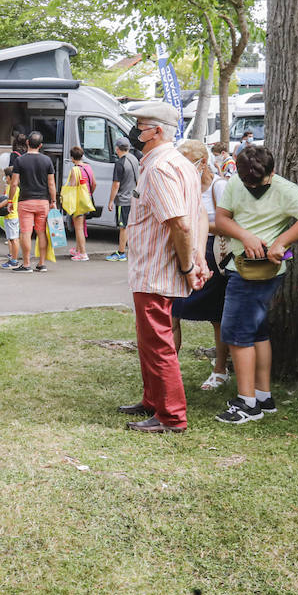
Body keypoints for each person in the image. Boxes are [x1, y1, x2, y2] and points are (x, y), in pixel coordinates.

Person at [212, 144, 298, 424]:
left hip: (257, 273)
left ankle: (247, 404)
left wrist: (281, 242)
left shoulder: (284, 188)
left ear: (272, 171)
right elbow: (222, 219)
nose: (253, 188)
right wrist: (246, 237)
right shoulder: (237, 182)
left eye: (259, 183)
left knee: (237, 335)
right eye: (248, 182)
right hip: (240, 266)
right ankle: (262, 396)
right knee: (256, 333)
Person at [115, 102, 209, 433]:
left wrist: (188, 266)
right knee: (150, 341)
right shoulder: (178, 163)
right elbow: (197, 215)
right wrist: (197, 260)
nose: (134, 132)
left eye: (140, 126)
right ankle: (153, 400)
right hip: (156, 269)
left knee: (158, 344)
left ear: (157, 131)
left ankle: (171, 416)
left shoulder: (159, 168)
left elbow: (182, 224)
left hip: (157, 271)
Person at [169, 140, 231, 391]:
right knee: (173, 312)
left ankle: (221, 369)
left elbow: (230, 224)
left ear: (202, 162)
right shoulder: (183, 186)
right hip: (186, 251)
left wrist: (198, 225)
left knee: (216, 315)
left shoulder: (219, 186)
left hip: (213, 253)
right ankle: (169, 368)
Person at [8, 131, 56, 273]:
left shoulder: (20, 160)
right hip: (43, 202)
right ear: (40, 145)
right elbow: (51, 184)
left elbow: (14, 183)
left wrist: (10, 200)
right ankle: (41, 264)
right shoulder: (47, 161)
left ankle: (27, 264)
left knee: (26, 233)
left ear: (27, 142)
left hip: (25, 202)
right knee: (41, 233)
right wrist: (53, 201)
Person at [105, 136, 140, 262]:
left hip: (123, 199)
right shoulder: (134, 159)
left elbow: (116, 184)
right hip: (133, 198)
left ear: (117, 148)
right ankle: (133, 251)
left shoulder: (120, 163)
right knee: (130, 226)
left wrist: (110, 201)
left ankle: (121, 253)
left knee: (123, 227)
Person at [60, 146, 95, 261]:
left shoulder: (75, 170)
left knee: (79, 228)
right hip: (86, 200)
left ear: (72, 158)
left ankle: (83, 253)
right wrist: (89, 194)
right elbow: (94, 183)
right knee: (81, 226)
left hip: (77, 202)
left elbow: (72, 186)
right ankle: (78, 249)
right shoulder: (88, 167)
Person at [0, 166, 21, 269]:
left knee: (14, 239)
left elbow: (8, 200)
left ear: (10, 177)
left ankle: (14, 261)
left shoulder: (14, 188)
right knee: (11, 239)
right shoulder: (9, 186)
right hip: (9, 217)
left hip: (12, 217)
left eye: (5, 176)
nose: (5, 178)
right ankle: (12, 258)